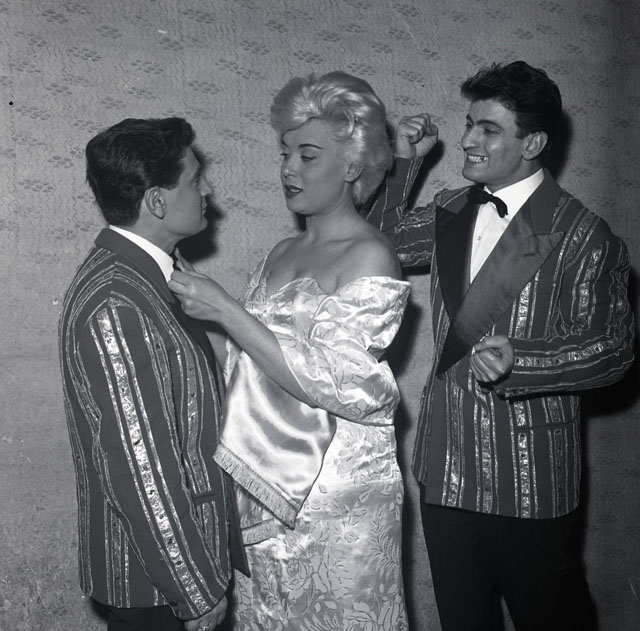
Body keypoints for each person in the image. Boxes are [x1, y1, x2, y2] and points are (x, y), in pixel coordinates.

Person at [365, 60, 635, 630]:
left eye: (488, 129)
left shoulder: (584, 233)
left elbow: (613, 348)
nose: (467, 140)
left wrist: (526, 361)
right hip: (444, 465)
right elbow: (374, 243)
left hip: (529, 476)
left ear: (532, 143)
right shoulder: (450, 209)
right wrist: (404, 163)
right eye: (470, 124)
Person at [169, 71, 410, 630]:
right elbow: (248, 366)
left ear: (351, 165)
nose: (288, 169)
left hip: (340, 496)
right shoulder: (280, 252)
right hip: (265, 483)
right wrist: (188, 299)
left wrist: (227, 310)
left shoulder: (371, 256)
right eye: (285, 152)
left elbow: (342, 385)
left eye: (307, 155)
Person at [59, 117, 248, 631]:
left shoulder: (153, 275)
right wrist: (194, 589)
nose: (207, 190)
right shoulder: (117, 300)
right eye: (195, 179)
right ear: (157, 202)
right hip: (156, 583)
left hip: (174, 566)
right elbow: (140, 470)